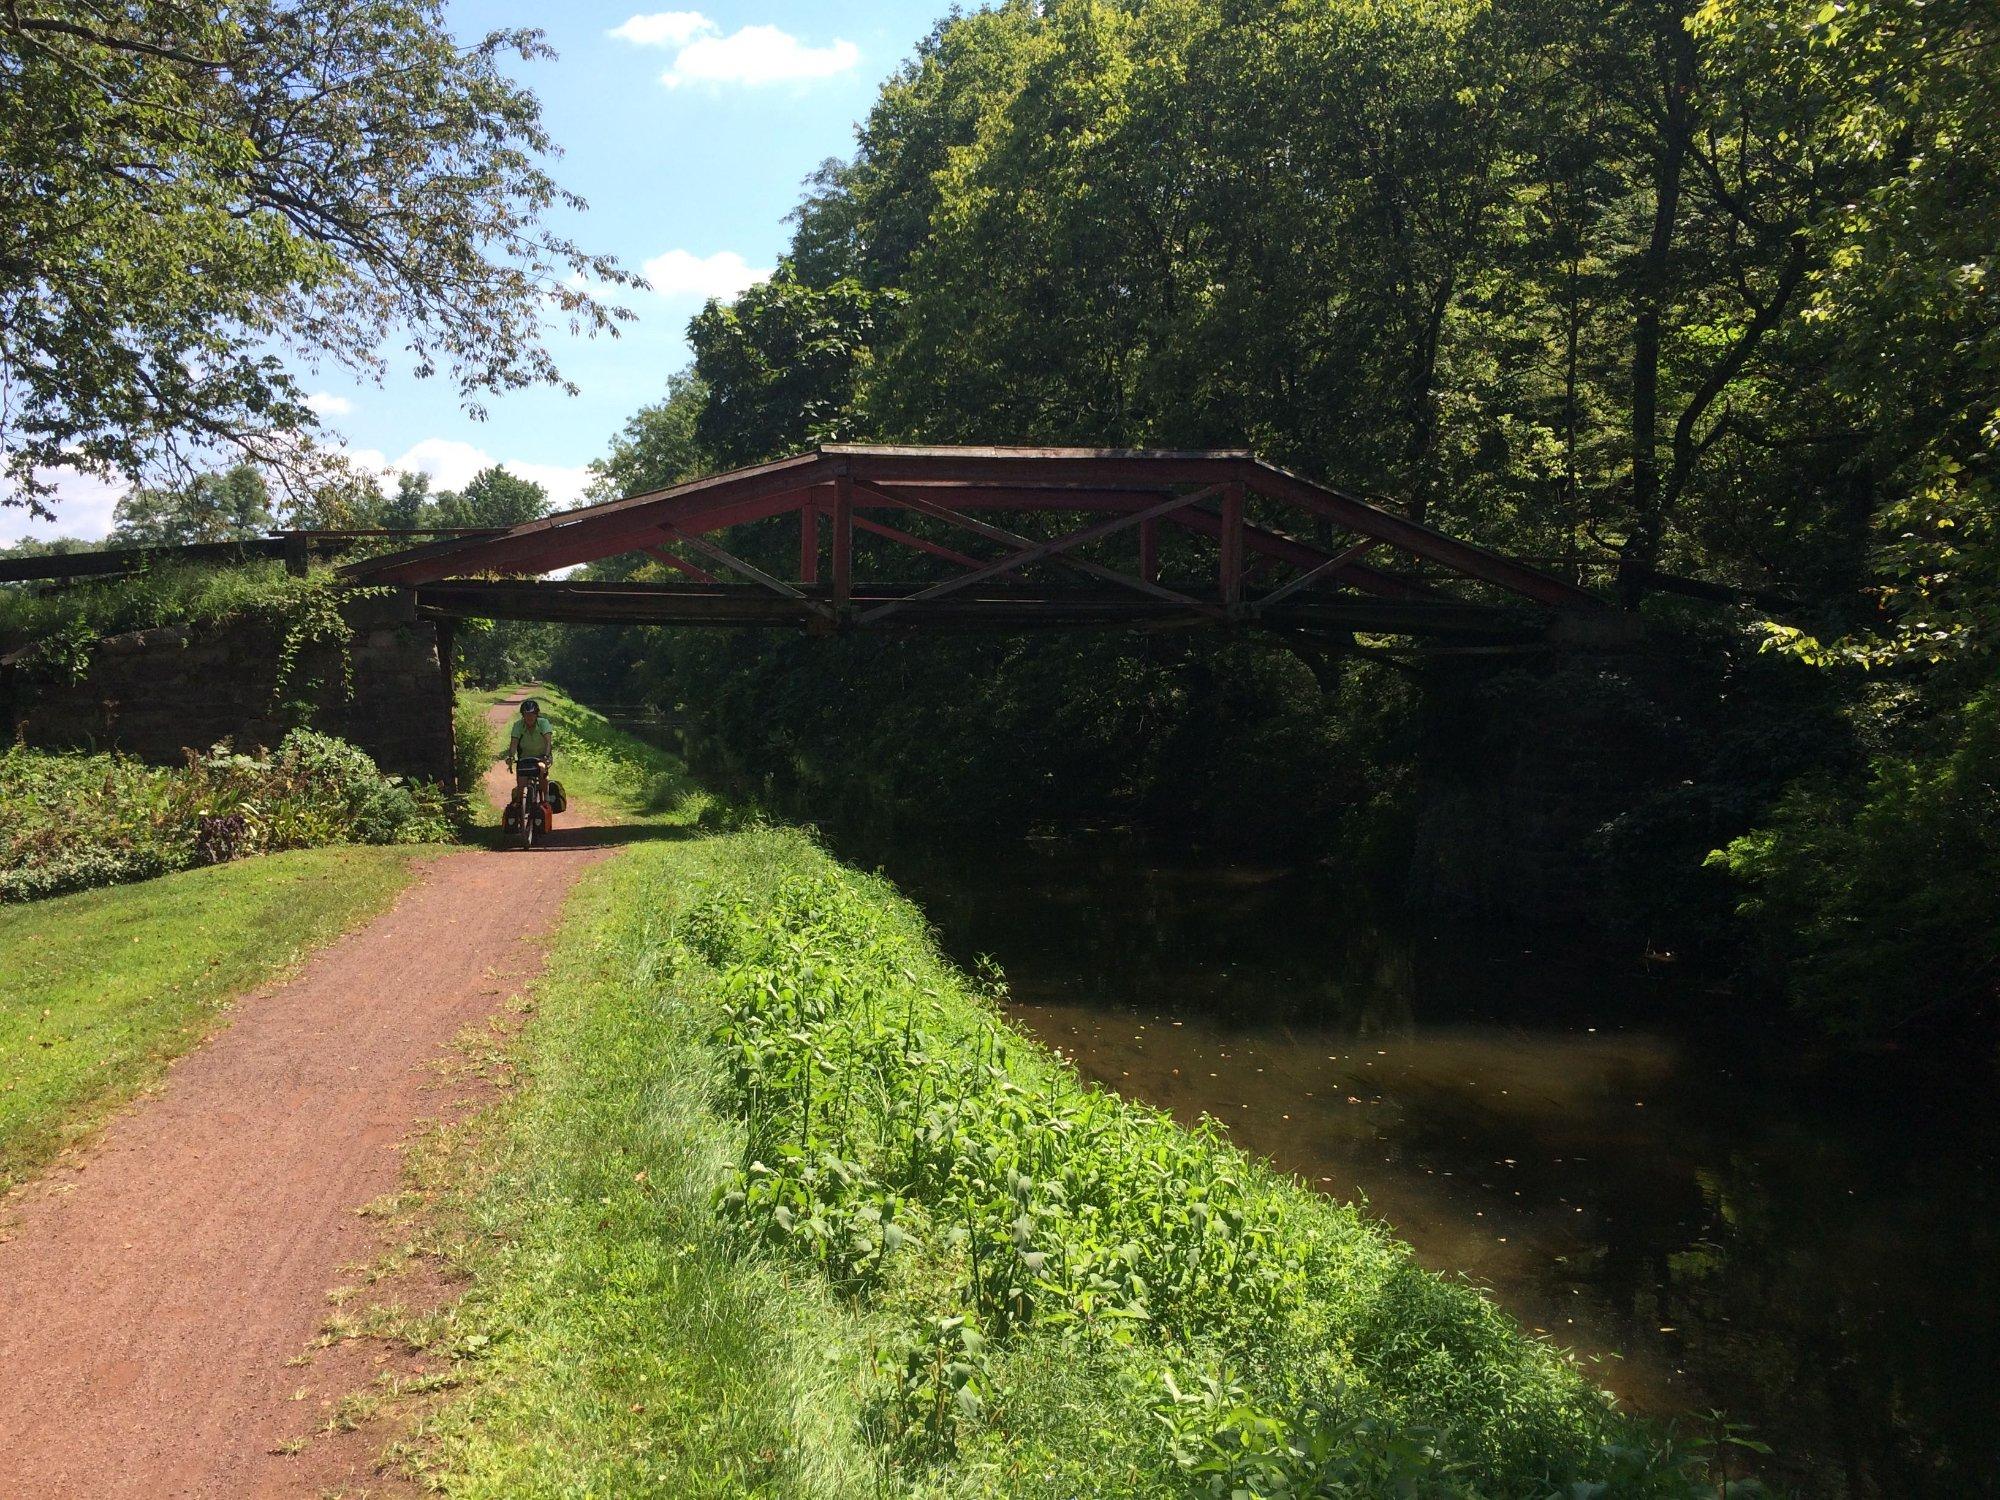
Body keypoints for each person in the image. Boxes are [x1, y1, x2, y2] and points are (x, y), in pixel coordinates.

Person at [505, 697, 555, 801]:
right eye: (526, 714)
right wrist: (510, 757)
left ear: (537, 715)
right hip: (525, 757)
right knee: (521, 783)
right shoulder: (518, 725)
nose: (529, 717)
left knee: (542, 772)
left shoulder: (543, 723)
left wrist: (546, 757)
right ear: (523, 715)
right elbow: (514, 743)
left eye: (532, 714)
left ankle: (546, 798)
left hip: (542, 756)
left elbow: (548, 742)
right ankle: (519, 805)